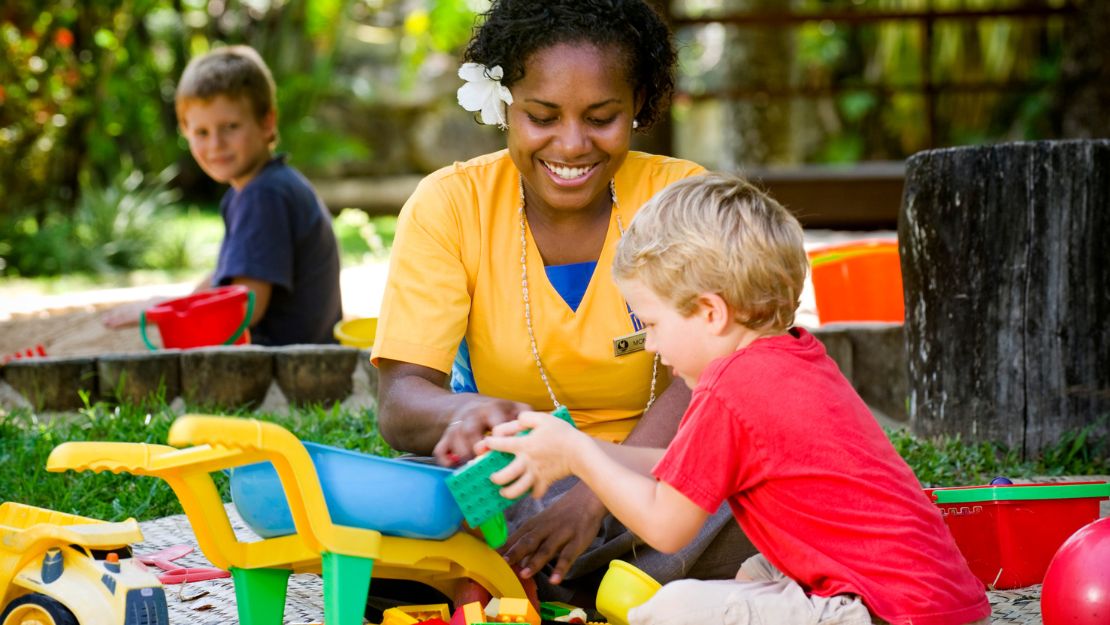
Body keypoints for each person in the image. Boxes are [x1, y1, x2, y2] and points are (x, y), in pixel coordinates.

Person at [371, 0, 753, 606]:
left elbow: (725, 373)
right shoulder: (449, 205)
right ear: (504, 105)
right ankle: (622, 591)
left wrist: (595, 493)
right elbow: (399, 398)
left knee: (755, 495)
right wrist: (461, 413)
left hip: (667, 483)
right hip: (520, 484)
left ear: (638, 108)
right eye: (542, 116)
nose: (571, 144)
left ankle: (535, 586)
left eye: (602, 117)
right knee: (395, 512)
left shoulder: (681, 198)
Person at [483, 173, 992, 625]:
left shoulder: (732, 388)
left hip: (885, 610)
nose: (652, 346)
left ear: (710, 312)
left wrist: (579, 456)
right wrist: (579, 443)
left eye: (653, 324)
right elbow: (680, 471)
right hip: (933, 600)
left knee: (671, 610)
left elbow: (667, 526)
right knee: (754, 570)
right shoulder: (788, 357)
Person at [103, 45, 341, 346]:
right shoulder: (258, 188)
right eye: (202, 133)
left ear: (267, 123)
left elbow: (246, 306)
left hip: (284, 363)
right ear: (185, 132)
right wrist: (176, 302)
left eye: (230, 127)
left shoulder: (264, 195)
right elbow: (224, 276)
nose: (216, 144)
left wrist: (165, 310)